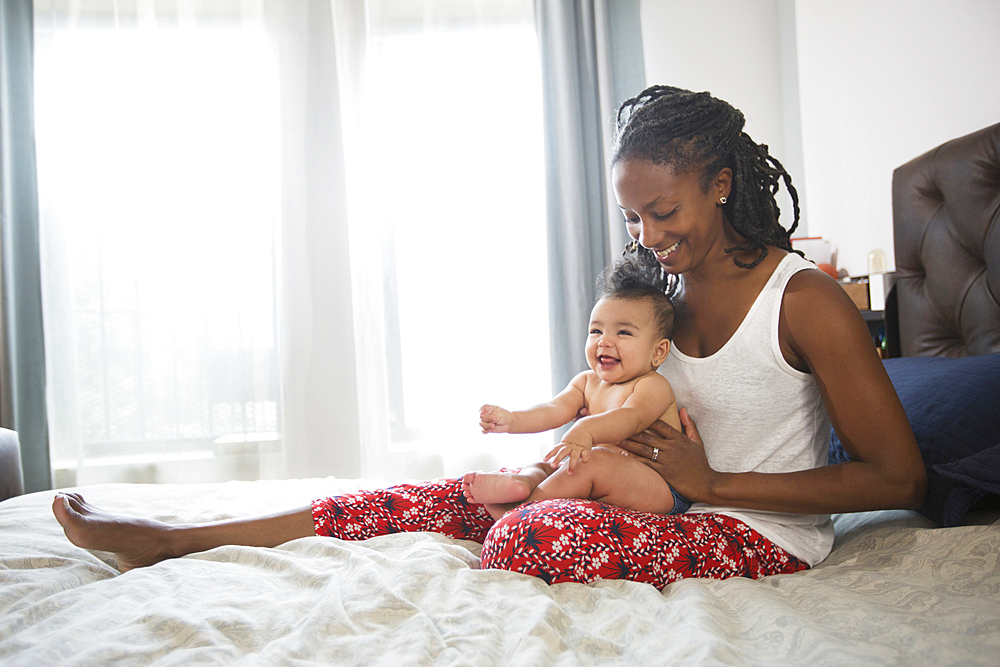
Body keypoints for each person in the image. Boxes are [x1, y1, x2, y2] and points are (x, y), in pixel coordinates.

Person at [52, 85, 927, 589]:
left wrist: (714, 480)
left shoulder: (804, 299)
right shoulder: (661, 296)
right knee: (420, 496)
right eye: (633, 218)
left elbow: (898, 474)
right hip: (659, 501)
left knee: (520, 535)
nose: (649, 238)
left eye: (664, 212)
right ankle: (176, 537)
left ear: (724, 185)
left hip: (758, 535)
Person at [462, 255, 690, 520]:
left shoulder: (653, 386)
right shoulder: (586, 381)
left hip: (659, 488)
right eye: (596, 331)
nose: (604, 342)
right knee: (552, 463)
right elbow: (553, 410)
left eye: (623, 333)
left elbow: (631, 418)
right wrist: (513, 420)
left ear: (658, 352)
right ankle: (523, 483)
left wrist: (586, 429)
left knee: (592, 461)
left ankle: (520, 514)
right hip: (608, 479)